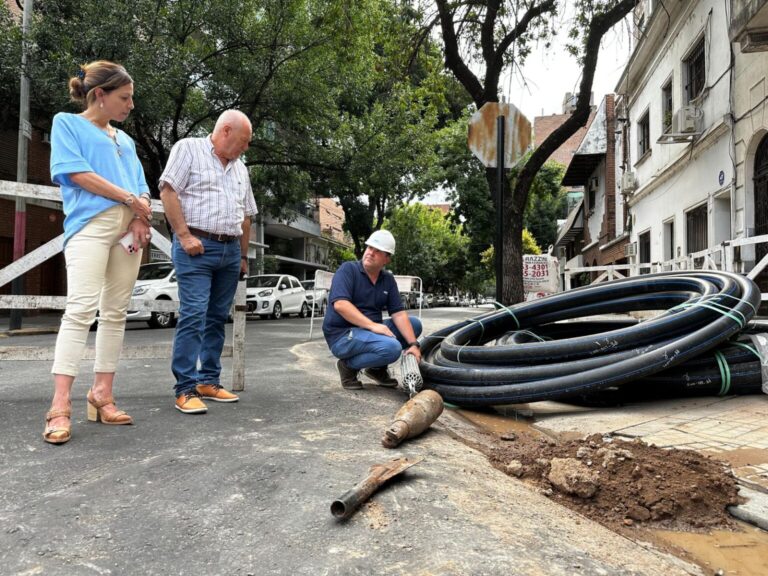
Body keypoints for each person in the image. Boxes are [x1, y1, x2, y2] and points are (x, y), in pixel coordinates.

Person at [44, 61, 153, 444]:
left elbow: (142, 185)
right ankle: (60, 405)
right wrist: (128, 199)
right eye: (124, 98)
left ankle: (102, 394)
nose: (131, 105)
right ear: (100, 95)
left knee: (116, 313)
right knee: (80, 310)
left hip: (128, 230)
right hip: (91, 227)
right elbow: (74, 172)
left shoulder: (125, 140)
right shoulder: (67, 124)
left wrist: (140, 216)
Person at [159, 110, 258, 414]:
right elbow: (168, 191)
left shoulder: (241, 169)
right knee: (194, 314)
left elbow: (246, 215)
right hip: (197, 248)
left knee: (217, 317)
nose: (245, 148)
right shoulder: (188, 148)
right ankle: (185, 389)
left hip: (229, 252)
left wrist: (242, 256)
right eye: (243, 141)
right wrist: (184, 235)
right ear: (225, 131)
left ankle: (208, 381)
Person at [322, 230, 422, 389]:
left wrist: (414, 344)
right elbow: (340, 304)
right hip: (342, 335)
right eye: (369, 248)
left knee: (414, 324)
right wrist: (374, 326)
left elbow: (398, 313)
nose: (370, 253)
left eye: (377, 251)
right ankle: (348, 367)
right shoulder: (348, 270)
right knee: (392, 348)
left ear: (387, 258)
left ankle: (376, 369)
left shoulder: (387, 279)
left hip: (368, 332)